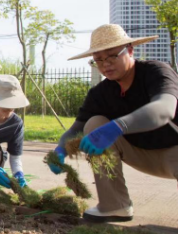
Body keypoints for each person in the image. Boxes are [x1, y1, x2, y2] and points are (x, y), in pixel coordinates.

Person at [48, 24, 178, 223]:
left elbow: (164, 109)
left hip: (174, 152)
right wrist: (60, 148)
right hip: (142, 155)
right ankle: (115, 206)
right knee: (94, 123)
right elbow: (76, 129)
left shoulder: (155, 72)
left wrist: (118, 126)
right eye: (98, 59)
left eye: (111, 56)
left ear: (130, 50)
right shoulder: (100, 93)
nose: (105, 64)